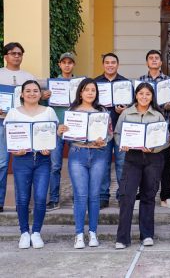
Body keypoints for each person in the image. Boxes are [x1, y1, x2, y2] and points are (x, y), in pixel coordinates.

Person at [57, 78, 111, 249]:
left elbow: (109, 133)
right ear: (80, 92)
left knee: (94, 195)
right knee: (80, 196)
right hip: (77, 154)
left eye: (93, 90)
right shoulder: (71, 111)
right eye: (86, 89)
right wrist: (61, 130)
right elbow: (63, 134)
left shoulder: (102, 111)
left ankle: (93, 232)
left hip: (98, 154)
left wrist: (104, 140)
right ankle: (79, 234)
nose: (89, 92)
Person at [4, 80, 58, 248]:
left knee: (41, 197)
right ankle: (24, 233)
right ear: (21, 94)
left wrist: (49, 147)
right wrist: (14, 150)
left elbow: (53, 133)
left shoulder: (48, 111)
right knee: (22, 198)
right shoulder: (13, 113)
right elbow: (8, 135)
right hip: (22, 160)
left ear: (40, 94)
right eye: (28, 91)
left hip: (42, 159)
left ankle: (36, 232)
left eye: (36, 90)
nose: (32, 93)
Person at [114, 83, 169, 249]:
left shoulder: (158, 115)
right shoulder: (126, 113)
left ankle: (147, 235)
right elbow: (117, 133)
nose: (144, 97)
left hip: (153, 158)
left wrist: (154, 148)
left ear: (152, 97)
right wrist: (122, 144)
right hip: (132, 158)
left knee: (148, 196)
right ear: (136, 95)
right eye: (141, 94)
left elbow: (165, 140)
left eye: (148, 94)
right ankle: (122, 238)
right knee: (127, 196)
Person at [138, 50, 170, 209]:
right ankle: (142, 195)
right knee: (142, 164)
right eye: (151, 58)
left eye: (157, 58)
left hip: (164, 129)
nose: (154, 61)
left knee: (165, 164)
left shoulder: (168, 81)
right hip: (143, 129)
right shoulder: (140, 80)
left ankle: (165, 196)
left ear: (161, 62)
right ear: (147, 62)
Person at [0, 42, 36, 213]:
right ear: (5, 56)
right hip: (1, 122)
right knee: (2, 163)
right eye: (13, 53)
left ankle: (23, 203)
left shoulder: (28, 76)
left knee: (23, 163)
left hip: (23, 124)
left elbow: (35, 95)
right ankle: (0, 203)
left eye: (19, 53)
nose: (16, 56)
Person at [94, 53, 128, 209]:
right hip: (102, 131)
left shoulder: (126, 83)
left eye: (113, 62)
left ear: (117, 65)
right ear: (103, 65)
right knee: (104, 163)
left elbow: (134, 105)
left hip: (121, 129)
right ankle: (103, 196)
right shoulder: (95, 83)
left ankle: (123, 195)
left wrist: (125, 110)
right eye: (107, 62)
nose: (110, 65)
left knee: (122, 163)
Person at [47, 52, 76, 211]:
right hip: (56, 129)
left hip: (74, 128)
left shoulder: (79, 84)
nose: (67, 65)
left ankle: (75, 198)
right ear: (59, 64)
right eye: (64, 62)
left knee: (75, 166)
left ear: (73, 65)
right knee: (55, 165)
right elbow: (44, 105)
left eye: (70, 62)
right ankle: (54, 199)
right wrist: (45, 96)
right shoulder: (52, 84)